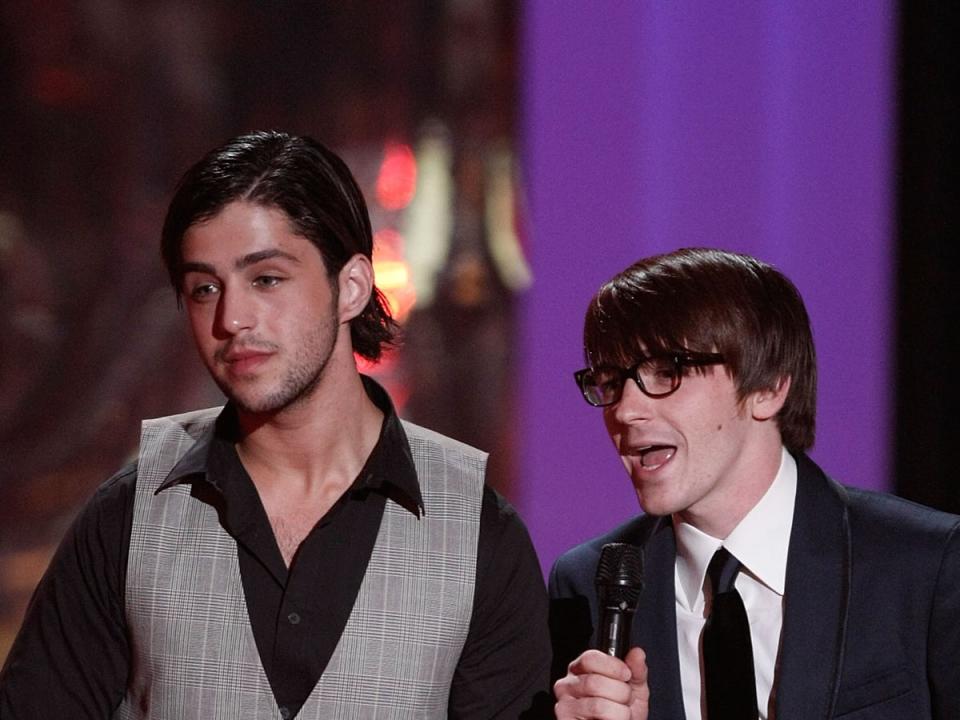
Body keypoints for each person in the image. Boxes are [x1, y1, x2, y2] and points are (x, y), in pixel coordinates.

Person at [0, 131, 550, 719]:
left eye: (266, 279)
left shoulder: (477, 533)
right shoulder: (125, 522)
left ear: (353, 287)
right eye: (205, 288)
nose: (231, 317)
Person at [549, 248, 960, 720]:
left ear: (769, 388)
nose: (624, 411)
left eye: (667, 372)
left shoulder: (924, 565)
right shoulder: (586, 583)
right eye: (610, 381)